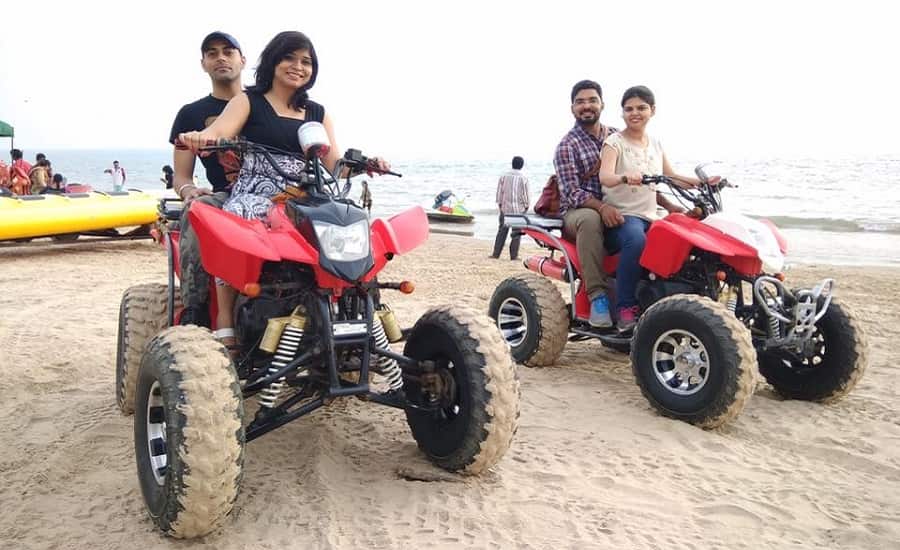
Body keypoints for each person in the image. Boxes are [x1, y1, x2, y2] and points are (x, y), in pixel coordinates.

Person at [180, 30, 390, 350]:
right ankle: (224, 318)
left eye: (306, 61)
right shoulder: (248, 101)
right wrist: (202, 137)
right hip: (257, 190)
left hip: (305, 193)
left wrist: (366, 164)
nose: (298, 66)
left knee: (349, 221)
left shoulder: (317, 112)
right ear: (273, 62)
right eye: (289, 58)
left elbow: (335, 164)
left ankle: (355, 312)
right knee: (239, 214)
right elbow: (219, 131)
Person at [598, 85, 718, 331]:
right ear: (622, 113)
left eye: (641, 108)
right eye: (629, 109)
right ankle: (625, 308)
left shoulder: (655, 143)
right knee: (636, 241)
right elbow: (605, 177)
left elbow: (670, 176)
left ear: (652, 110)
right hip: (623, 216)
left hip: (652, 215)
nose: (635, 113)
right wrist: (624, 177)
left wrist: (703, 183)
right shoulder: (614, 143)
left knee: (689, 238)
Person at [168, 31, 247, 327]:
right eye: (212, 53)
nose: (221, 57)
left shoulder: (262, 104)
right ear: (203, 64)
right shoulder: (191, 115)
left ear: (243, 59)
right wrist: (188, 190)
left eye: (228, 51)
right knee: (198, 210)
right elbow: (181, 175)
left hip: (273, 193)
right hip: (226, 195)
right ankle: (195, 307)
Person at [553, 80, 619, 328]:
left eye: (592, 100)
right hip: (578, 212)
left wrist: (668, 203)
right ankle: (598, 297)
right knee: (591, 221)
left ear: (602, 104)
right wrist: (602, 208)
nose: (586, 106)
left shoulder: (617, 137)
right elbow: (571, 192)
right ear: (572, 109)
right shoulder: (567, 146)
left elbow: (639, 174)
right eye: (580, 102)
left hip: (616, 205)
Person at [491, 155, 529, 260]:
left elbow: (499, 193)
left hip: (505, 209)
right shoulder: (523, 178)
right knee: (516, 233)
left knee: (502, 232)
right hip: (518, 210)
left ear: (512, 164)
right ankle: (514, 256)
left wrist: (500, 205)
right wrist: (526, 206)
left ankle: (496, 254)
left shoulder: (503, 176)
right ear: (522, 166)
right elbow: (525, 196)